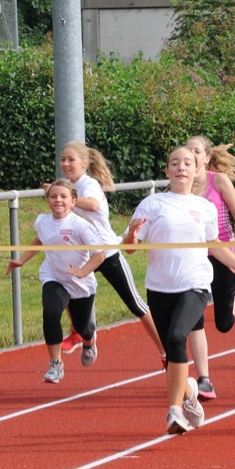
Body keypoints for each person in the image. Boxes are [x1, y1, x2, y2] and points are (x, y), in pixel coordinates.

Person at [125, 147, 235, 434]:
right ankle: (188, 389)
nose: (181, 168)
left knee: (177, 337)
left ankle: (174, 410)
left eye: (187, 163)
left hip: (196, 284)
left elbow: (213, 245)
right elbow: (131, 248)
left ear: (197, 169)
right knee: (171, 347)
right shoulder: (152, 204)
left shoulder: (205, 207)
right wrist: (132, 236)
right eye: (175, 163)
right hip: (160, 287)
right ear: (167, 171)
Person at [57, 140, 165, 363]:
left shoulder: (88, 185)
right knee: (63, 285)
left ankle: (165, 351)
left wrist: (65, 196)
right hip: (84, 255)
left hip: (106, 252)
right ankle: (81, 334)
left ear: (84, 163)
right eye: (63, 159)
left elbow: (94, 205)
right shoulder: (67, 187)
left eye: (71, 159)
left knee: (135, 304)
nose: (65, 164)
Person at [7, 179, 105, 384]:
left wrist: (81, 271)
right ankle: (56, 364)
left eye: (63, 197)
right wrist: (21, 260)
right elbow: (40, 240)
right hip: (54, 276)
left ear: (73, 201)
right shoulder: (43, 221)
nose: (58, 200)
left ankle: (89, 342)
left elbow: (99, 255)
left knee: (83, 327)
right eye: (53, 196)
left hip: (80, 283)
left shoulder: (81, 226)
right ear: (47, 200)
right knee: (51, 313)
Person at [186, 135, 235, 401]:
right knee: (193, 317)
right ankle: (204, 379)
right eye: (187, 151)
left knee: (224, 324)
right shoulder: (179, 186)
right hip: (194, 258)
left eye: (196, 151)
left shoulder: (218, 181)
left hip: (222, 253)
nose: (191, 155)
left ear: (207, 157)